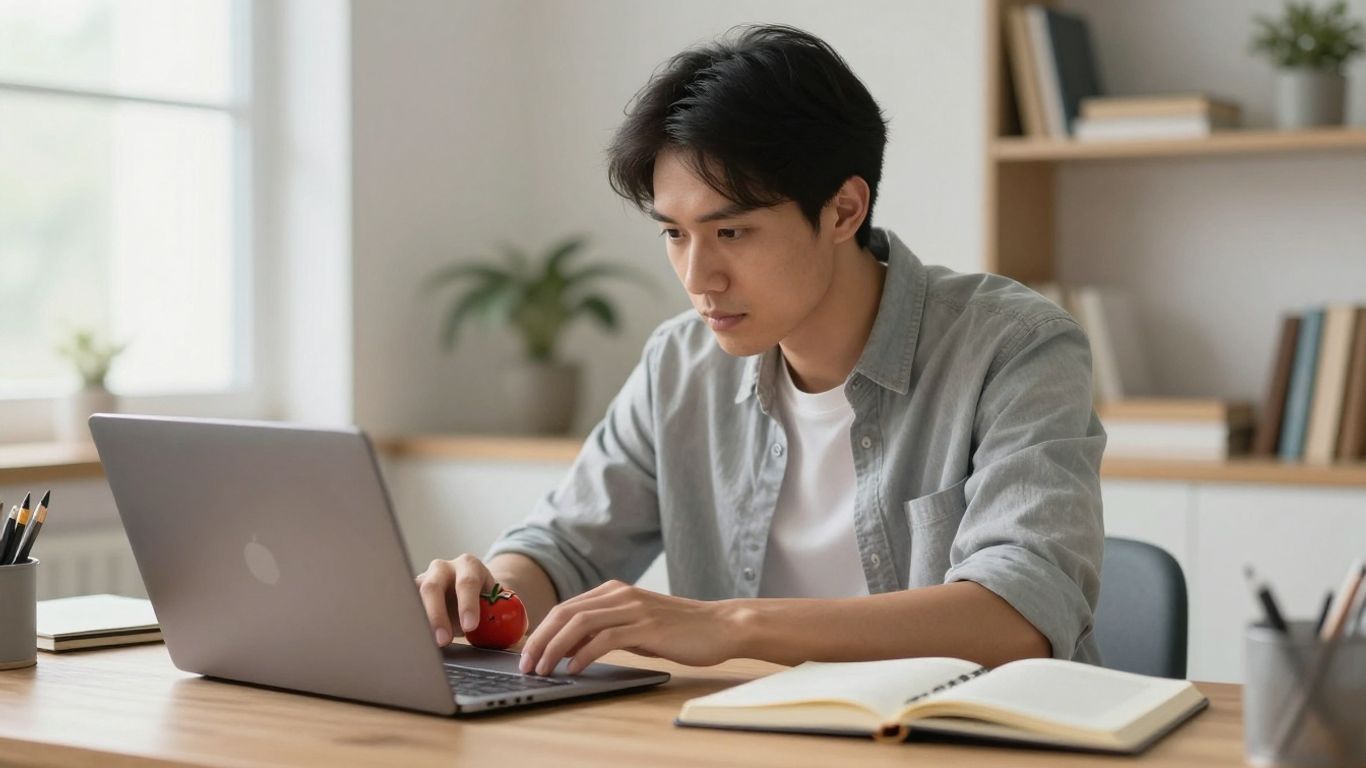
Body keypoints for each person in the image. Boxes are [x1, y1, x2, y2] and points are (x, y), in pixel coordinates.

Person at [415, 24, 1105, 678]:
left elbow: (1022, 612)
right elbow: (562, 547)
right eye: (675, 234)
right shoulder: (680, 364)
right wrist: (486, 594)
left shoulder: (1013, 346)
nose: (697, 279)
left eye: (732, 233)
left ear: (843, 210)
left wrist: (734, 625)